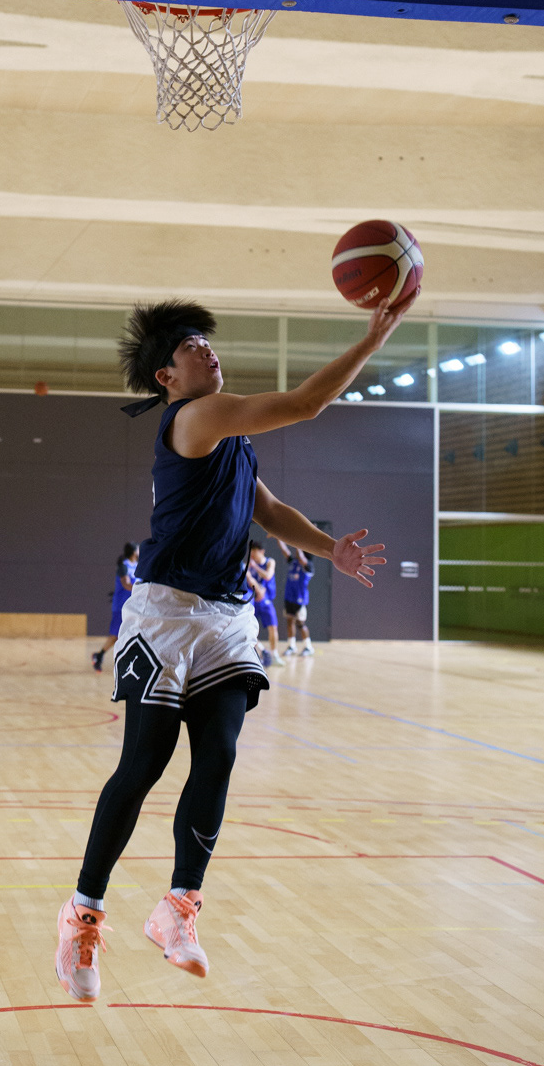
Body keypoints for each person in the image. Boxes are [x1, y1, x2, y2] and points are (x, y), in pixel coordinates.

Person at [55, 290, 416, 1001]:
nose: (207, 349)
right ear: (166, 376)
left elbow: (268, 509)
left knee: (218, 755)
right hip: (165, 614)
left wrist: (330, 549)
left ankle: (178, 907)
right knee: (143, 767)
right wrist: (371, 342)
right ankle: (82, 914)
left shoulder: (232, 441)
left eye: (207, 340)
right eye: (190, 345)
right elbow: (306, 404)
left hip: (225, 619)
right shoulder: (195, 418)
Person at [92, 543, 139, 672]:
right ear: (134, 552)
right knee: (116, 635)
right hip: (121, 606)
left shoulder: (138, 566)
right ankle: (99, 655)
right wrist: (142, 589)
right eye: (138, 549)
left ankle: (128, 661)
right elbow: (126, 585)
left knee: (132, 633)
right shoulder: (124, 566)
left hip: (134, 606)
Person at [279, 540, 315, 656]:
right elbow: (285, 550)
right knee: (290, 621)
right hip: (289, 597)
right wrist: (278, 537)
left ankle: (308, 647)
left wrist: (297, 542)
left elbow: (301, 557)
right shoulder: (293, 562)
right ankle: (291, 646)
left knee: (300, 624)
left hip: (300, 599)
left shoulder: (308, 565)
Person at [246, 542, 279, 665]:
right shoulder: (248, 564)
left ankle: (274, 654)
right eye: (251, 553)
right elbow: (249, 579)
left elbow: (268, 576)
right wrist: (258, 589)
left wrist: (255, 567)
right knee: (249, 628)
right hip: (254, 600)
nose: (252, 556)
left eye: (254, 553)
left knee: (273, 627)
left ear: (261, 551)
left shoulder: (270, 562)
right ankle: (260, 653)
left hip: (267, 599)